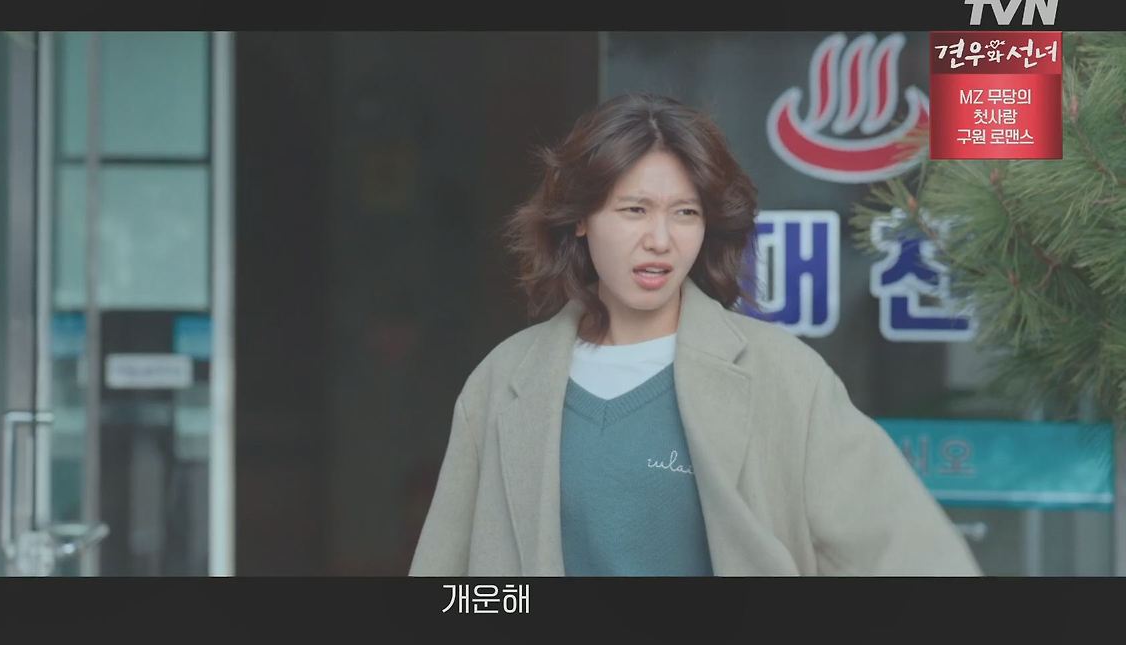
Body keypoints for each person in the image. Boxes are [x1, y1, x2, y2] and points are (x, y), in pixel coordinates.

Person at [409, 92, 980, 576]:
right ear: (580, 218)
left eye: (685, 213)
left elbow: (916, 555)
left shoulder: (782, 376)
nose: (661, 240)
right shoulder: (503, 381)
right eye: (634, 210)